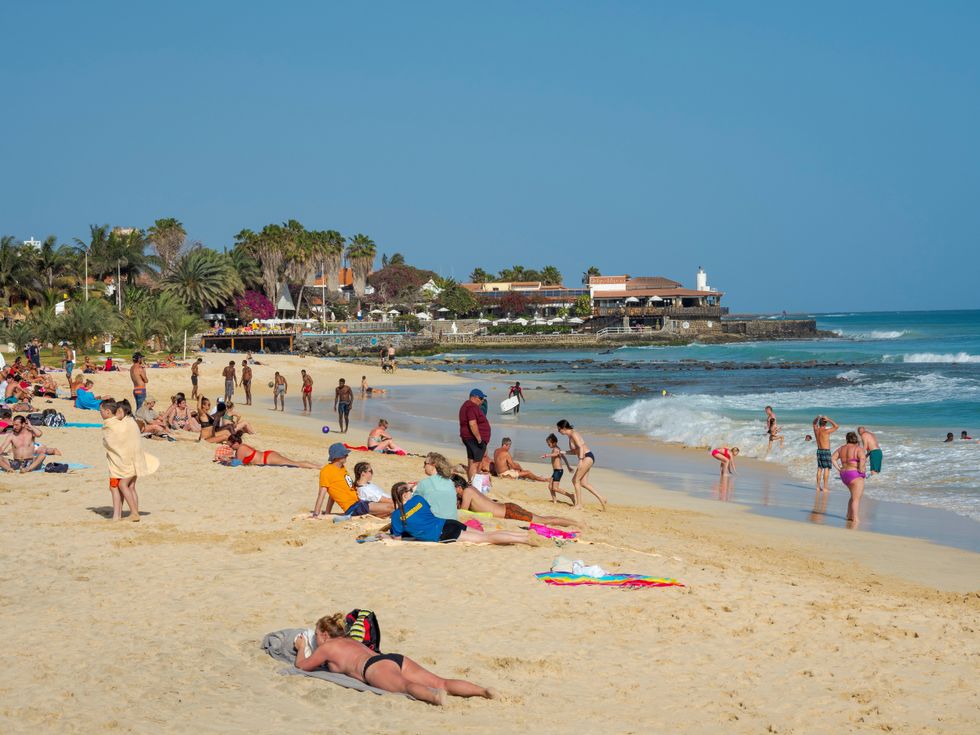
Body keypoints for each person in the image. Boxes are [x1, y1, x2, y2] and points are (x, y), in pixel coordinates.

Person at [293, 612, 497, 705]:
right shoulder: (350, 640)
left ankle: (435, 697)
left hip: (373, 667)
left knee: (407, 687)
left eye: (316, 634)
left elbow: (302, 666)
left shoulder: (327, 647)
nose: (315, 638)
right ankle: (483, 691)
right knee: (440, 680)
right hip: (393, 658)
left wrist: (302, 647)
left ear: (324, 634)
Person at [390, 482, 546, 547]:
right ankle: (523, 536)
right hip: (448, 523)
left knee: (487, 539)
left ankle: (526, 540)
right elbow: (426, 516)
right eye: (410, 490)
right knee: (489, 534)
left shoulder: (396, 516)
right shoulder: (418, 500)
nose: (413, 492)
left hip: (444, 533)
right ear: (404, 495)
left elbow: (397, 538)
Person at [100, 398, 159, 521]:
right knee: (130, 486)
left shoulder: (114, 423)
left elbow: (110, 441)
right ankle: (130, 512)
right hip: (136, 460)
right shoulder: (131, 421)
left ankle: (130, 513)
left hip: (122, 463)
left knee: (118, 486)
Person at [451, 475, 579, 528]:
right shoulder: (470, 488)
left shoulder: (467, 492)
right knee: (543, 519)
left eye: (453, 489)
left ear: (458, 487)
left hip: (509, 513)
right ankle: (574, 522)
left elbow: (463, 511)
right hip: (507, 509)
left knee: (544, 521)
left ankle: (575, 523)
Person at [312, 443, 390, 517]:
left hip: (360, 502)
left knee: (389, 510)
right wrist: (316, 513)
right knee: (392, 507)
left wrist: (328, 513)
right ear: (337, 456)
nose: (347, 455)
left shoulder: (342, 468)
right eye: (344, 454)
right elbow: (321, 494)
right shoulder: (326, 471)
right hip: (353, 507)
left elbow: (333, 494)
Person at [556, 419, 607, 510]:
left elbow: (580, 447)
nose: (558, 431)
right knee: (583, 483)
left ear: (563, 428)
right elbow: (575, 451)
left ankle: (579, 505)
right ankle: (602, 499)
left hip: (586, 457)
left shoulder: (574, 434)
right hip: (587, 457)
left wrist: (580, 461)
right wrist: (563, 452)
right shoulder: (570, 436)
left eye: (559, 429)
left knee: (575, 480)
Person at [226, 431, 318, 469]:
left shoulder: (241, 449)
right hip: (268, 456)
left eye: (230, 446)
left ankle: (318, 467)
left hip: (268, 459)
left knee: (295, 464)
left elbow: (237, 463)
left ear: (236, 443)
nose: (230, 448)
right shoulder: (242, 447)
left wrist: (224, 461)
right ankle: (318, 466)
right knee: (294, 463)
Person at [832, 431, 867, 525]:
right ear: (855, 439)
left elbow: (833, 458)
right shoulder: (858, 449)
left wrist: (839, 468)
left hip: (844, 474)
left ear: (847, 439)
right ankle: (855, 519)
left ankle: (849, 515)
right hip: (854, 474)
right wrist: (861, 469)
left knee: (853, 496)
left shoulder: (841, 449)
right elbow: (862, 459)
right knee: (856, 498)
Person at [414, 452, 460, 520]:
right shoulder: (450, 482)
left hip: (435, 523)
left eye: (425, 463)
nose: (423, 466)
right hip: (453, 521)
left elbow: (413, 503)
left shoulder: (424, 483)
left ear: (433, 465)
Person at [459, 388, 490, 481]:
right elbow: (472, 424)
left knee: (471, 461)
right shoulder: (472, 407)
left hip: (469, 438)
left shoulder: (466, 406)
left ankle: (470, 483)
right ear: (475, 397)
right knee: (475, 464)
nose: (482, 401)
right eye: (481, 398)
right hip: (474, 439)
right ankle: (473, 485)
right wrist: (479, 439)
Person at [542, 433, 575, 503]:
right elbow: (564, 457)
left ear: (554, 443)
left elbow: (555, 454)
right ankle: (555, 501)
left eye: (549, 444)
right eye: (548, 444)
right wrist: (568, 466)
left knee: (555, 488)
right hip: (556, 471)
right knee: (550, 487)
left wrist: (546, 455)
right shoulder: (557, 449)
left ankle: (571, 495)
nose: (548, 445)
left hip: (558, 471)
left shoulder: (556, 449)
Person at [813, 415, 840, 492]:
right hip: (826, 451)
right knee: (826, 469)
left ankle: (818, 487)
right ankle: (825, 487)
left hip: (819, 451)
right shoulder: (826, 431)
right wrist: (829, 419)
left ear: (819, 423)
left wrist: (817, 417)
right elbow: (836, 426)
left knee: (819, 469)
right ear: (825, 424)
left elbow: (814, 423)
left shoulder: (816, 430)